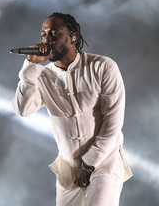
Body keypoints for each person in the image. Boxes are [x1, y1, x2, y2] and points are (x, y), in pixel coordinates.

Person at [11, 12, 132, 206]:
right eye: (43, 34)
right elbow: (22, 109)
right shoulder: (41, 77)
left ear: (73, 36)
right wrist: (30, 65)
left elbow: (113, 122)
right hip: (69, 166)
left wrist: (90, 162)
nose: (47, 39)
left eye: (54, 34)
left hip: (105, 160)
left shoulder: (103, 67)